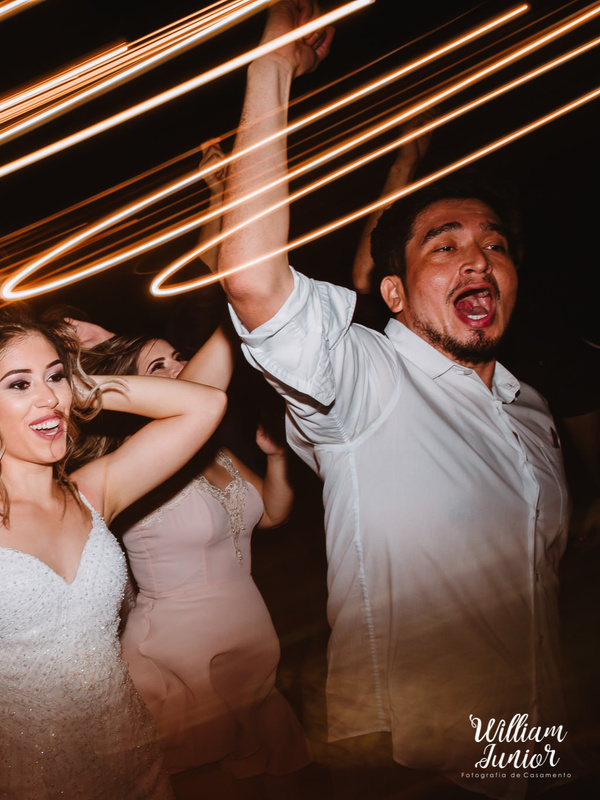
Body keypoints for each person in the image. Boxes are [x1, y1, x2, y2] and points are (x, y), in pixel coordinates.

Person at [217, 1, 573, 797]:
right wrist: (271, 67)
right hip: (417, 763)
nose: (476, 258)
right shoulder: (372, 383)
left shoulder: (532, 413)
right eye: (443, 246)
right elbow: (252, 279)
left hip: (532, 750)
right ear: (395, 296)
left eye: (494, 245)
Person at [0, 183, 227, 798]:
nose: (48, 396)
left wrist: (82, 386)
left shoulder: (92, 492)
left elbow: (203, 407)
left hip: (137, 766)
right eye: (19, 385)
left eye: (54, 376)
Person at [78, 327, 309, 786]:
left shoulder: (217, 454)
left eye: (176, 358)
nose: (178, 370)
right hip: (175, 661)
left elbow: (271, 517)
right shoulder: (131, 469)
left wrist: (277, 457)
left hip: (250, 652)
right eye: (156, 370)